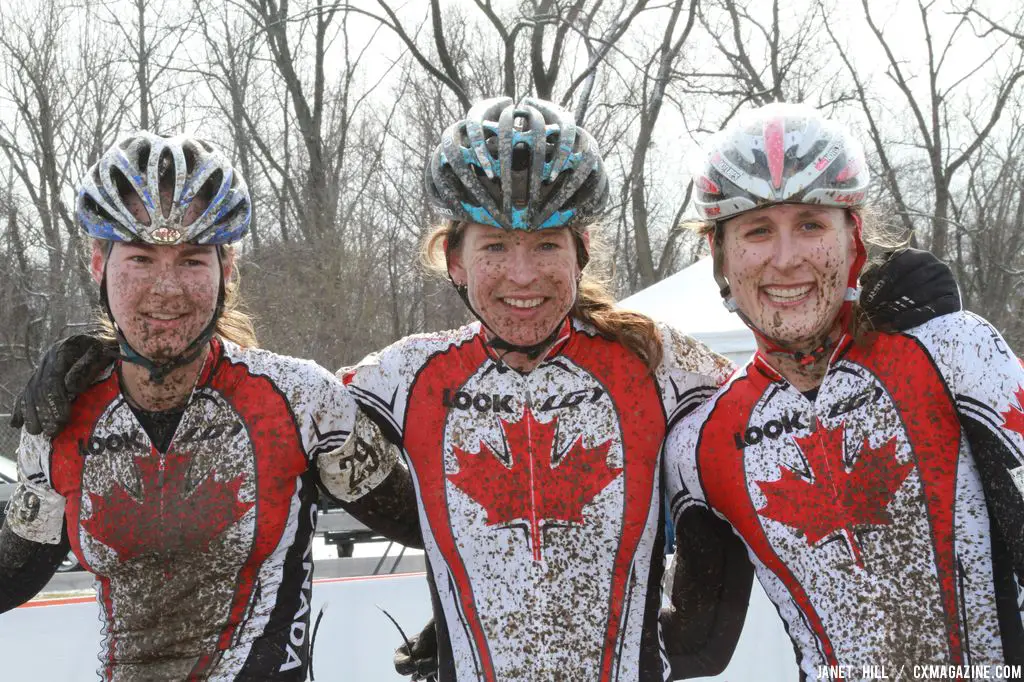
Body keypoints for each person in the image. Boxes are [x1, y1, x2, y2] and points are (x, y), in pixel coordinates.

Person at [9, 99, 961, 682]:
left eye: (546, 243)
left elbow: (786, 399)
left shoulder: (667, 368)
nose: (521, 275)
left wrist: (882, 328)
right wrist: (73, 384)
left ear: (582, 250)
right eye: (493, 245)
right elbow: (358, 476)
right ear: (451, 258)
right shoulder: (394, 379)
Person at [0, 131, 419, 681]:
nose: (167, 288)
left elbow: (438, 525)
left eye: (193, 260)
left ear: (229, 269)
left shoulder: (302, 400)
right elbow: (13, 574)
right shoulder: (58, 421)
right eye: (141, 259)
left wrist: (460, 617)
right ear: (99, 261)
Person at [662, 102, 1024, 679]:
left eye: (810, 224)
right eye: (758, 230)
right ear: (721, 257)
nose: (786, 259)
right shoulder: (699, 444)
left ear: (854, 238)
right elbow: (690, 645)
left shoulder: (956, 351)